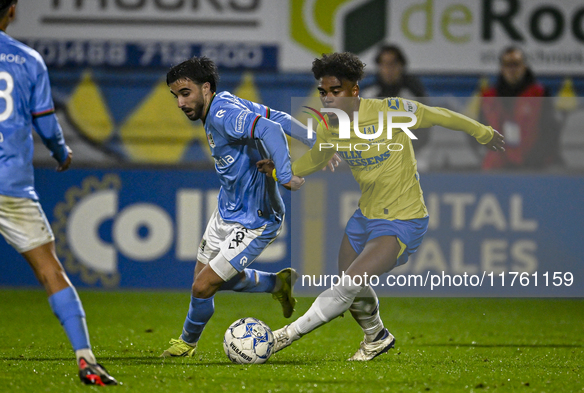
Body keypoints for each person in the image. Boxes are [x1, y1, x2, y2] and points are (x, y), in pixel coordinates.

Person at [257, 52, 504, 361]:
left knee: (347, 286)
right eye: (323, 92)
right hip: (365, 218)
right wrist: (281, 169)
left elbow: (440, 115)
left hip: (404, 220)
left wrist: (483, 133)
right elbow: (317, 160)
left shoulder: (391, 111)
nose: (328, 99)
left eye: (336, 91)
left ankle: (284, 336)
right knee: (350, 284)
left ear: (354, 91)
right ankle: (376, 336)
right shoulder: (329, 127)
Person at [0, 0, 117, 386]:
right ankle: (85, 360)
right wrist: (61, 152)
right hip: (11, 183)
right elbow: (47, 126)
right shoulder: (27, 59)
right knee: (51, 271)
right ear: (12, 10)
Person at [160, 56, 306, 358]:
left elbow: (271, 130)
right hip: (226, 211)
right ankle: (277, 283)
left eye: (185, 93)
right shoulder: (224, 101)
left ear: (206, 88)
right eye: (176, 96)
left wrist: (286, 175)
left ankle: (186, 343)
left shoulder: (223, 114)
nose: (180, 103)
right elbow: (275, 115)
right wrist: (317, 139)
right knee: (204, 282)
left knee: (202, 287)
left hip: (256, 219)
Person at [475, 46, 561, 170]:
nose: (511, 69)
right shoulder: (488, 97)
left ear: (524, 66)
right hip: (497, 166)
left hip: (532, 165)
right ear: (501, 67)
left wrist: (537, 159)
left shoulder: (539, 94)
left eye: (516, 64)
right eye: (507, 65)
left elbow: (549, 131)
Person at [364, 44, 431, 153]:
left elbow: (423, 134)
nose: (388, 69)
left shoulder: (413, 96)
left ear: (401, 66)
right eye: (384, 64)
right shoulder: (369, 95)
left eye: (392, 64)